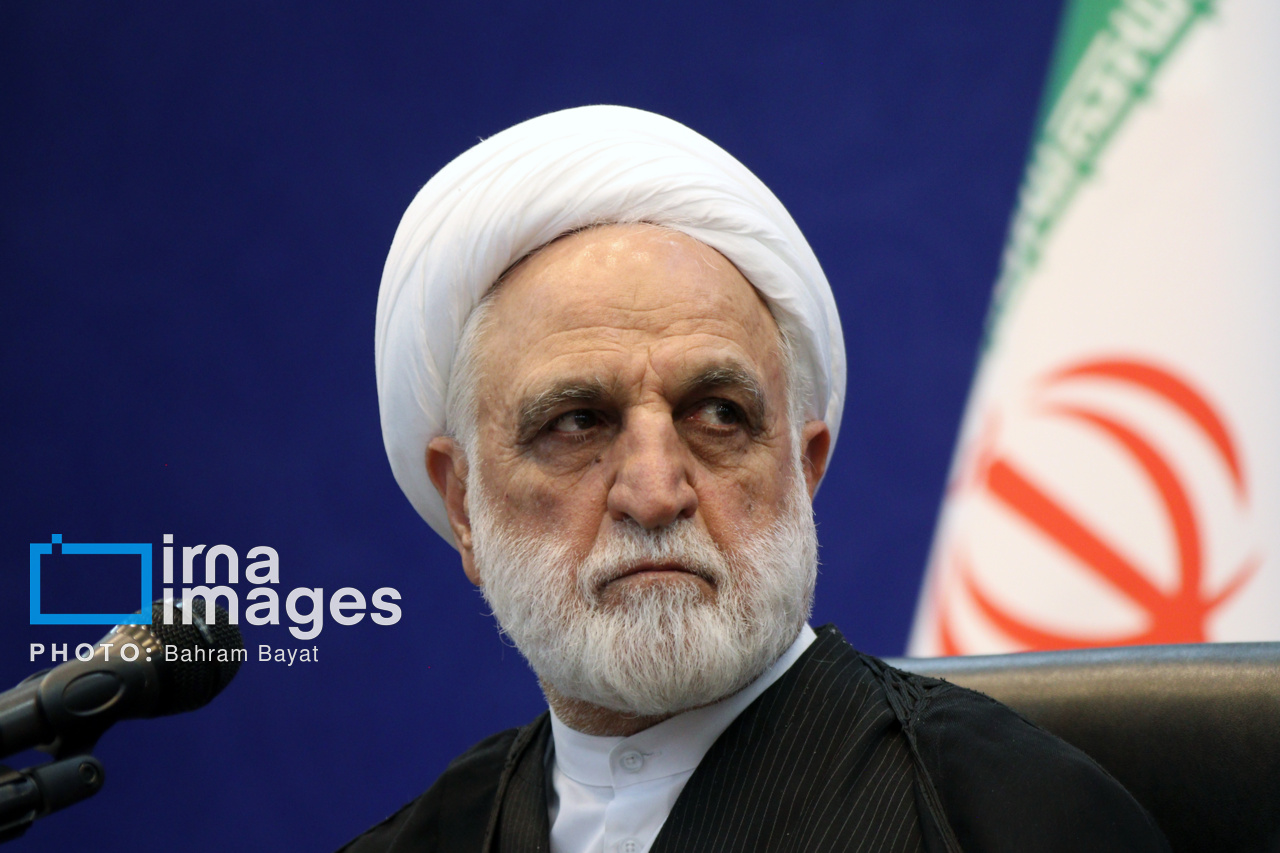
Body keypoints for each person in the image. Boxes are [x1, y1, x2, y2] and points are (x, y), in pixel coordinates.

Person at [343, 106, 1169, 853]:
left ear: (805, 469)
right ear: (463, 503)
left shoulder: (1012, 817)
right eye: (577, 422)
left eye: (718, 415)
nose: (655, 493)